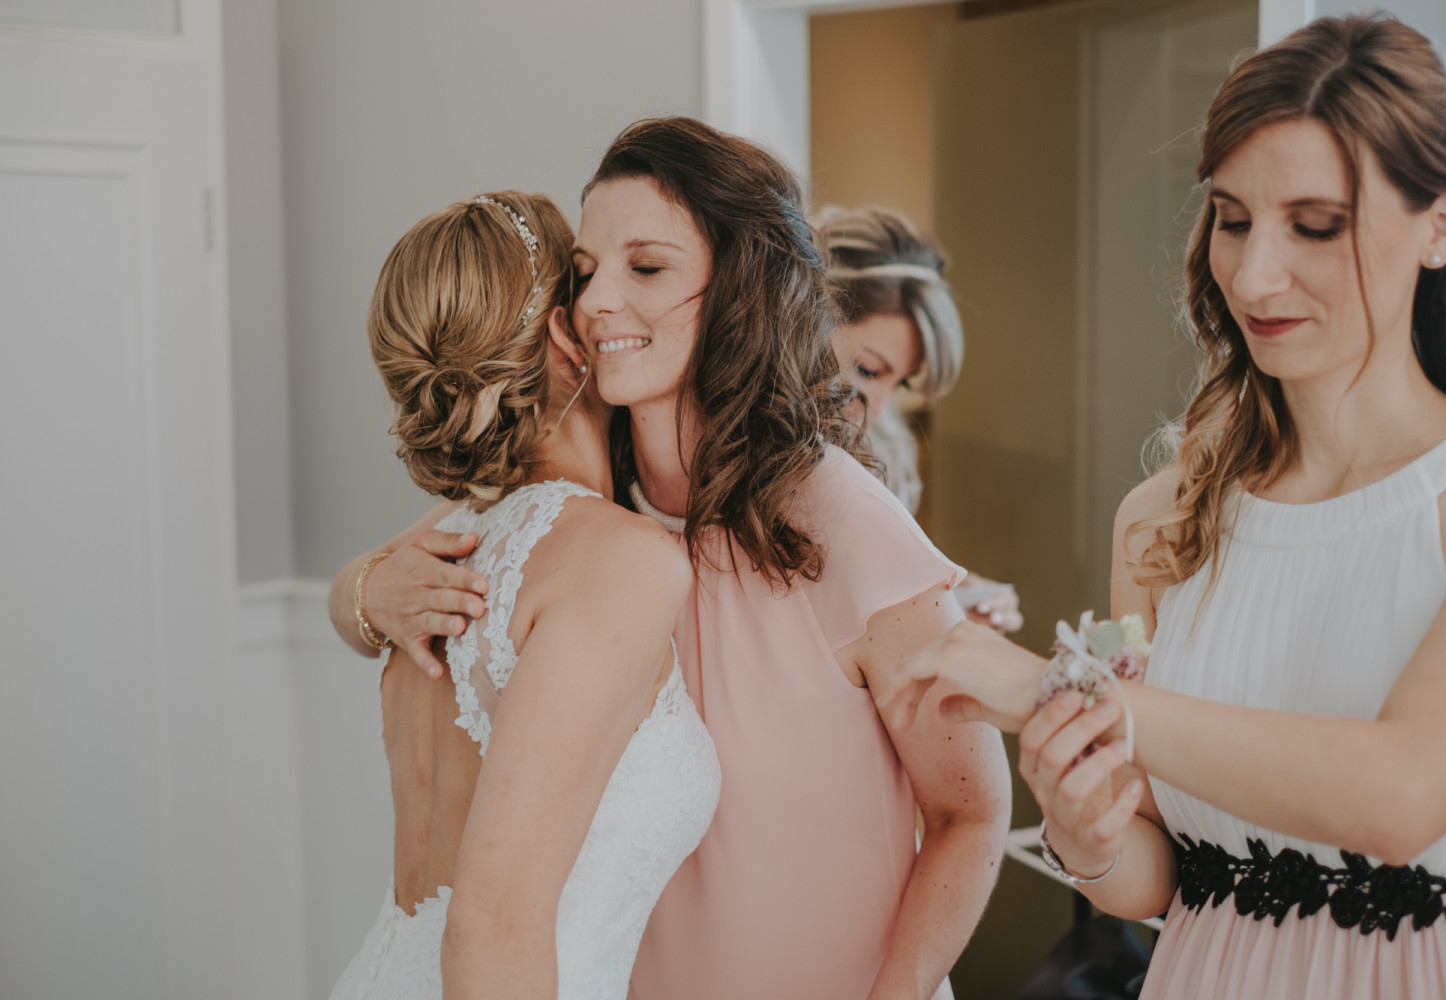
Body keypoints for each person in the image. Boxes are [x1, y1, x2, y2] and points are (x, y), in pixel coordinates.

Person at [882, 14, 1446, 998]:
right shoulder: (1165, 519)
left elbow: (1403, 792)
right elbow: (1158, 873)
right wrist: (1088, 828)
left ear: (1443, 222)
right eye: (1233, 216)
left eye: (1316, 223)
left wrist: (1059, 690)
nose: (1253, 274)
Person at [332, 118, 1011, 1000]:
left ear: (738, 291)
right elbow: (387, 580)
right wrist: (365, 593)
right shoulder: (577, 522)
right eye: (583, 275)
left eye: (645, 269)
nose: (596, 301)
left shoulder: (839, 517)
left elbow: (973, 806)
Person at [327, 191, 719, 1000]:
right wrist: (360, 593)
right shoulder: (620, 562)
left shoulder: (450, 536)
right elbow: (493, 923)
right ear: (559, 338)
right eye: (584, 284)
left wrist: (359, 592)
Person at [816, 204, 1022, 632]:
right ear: (803, 322)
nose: (882, 408)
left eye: (901, 383)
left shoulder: (884, 447)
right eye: (869, 370)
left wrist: (944, 594)